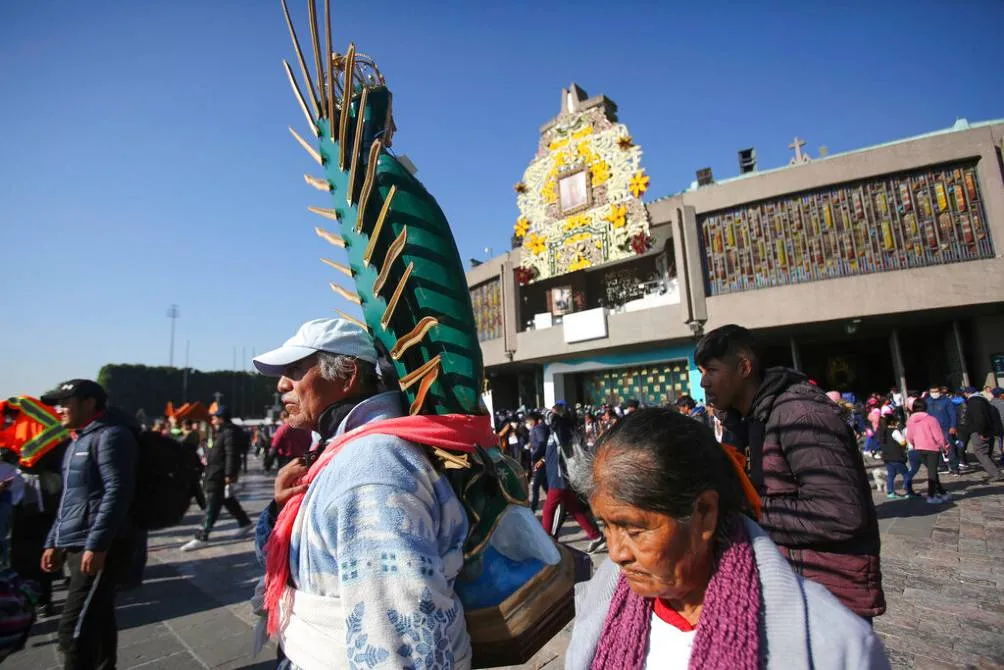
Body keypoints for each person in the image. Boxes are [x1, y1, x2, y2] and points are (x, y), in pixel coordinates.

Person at [566, 408, 890, 670]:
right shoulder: (603, 599)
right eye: (605, 527)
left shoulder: (832, 646)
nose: (616, 552)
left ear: (704, 513)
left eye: (634, 530)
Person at [249, 318, 474, 667]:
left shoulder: (370, 469)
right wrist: (282, 508)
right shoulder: (347, 451)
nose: (282, 384)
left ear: (347, 374)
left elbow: (402, 644)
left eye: (295, 369)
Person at [695, 324, 885, 621]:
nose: (704, 383)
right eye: (701, 373)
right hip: (784, 588)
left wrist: (747, 510)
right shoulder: (743, 423)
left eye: (712, 371)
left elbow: (840, 512)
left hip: (827, 598)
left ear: (744, 367)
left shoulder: (802, 414)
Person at [39, 379, 138, 670]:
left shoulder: (111, 436)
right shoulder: (76, 440)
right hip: (76, 542)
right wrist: (54, 540)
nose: (59, 410)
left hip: (98, 545)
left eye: (65, 403)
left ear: (89, 403)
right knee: (99, 617)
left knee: (74, 630)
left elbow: (117, 491)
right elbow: (71, 497)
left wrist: (97, 544)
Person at [181, 406, 253, 551]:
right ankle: (245, 522)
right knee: (227, 500)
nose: (212, 420)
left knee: (212, 506)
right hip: (215, 472)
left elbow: (231, 454)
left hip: (219, 475)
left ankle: (202, 536)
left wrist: (229, 475)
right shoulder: (223, 432)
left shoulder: (229, 433)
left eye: (214, 417)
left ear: (221, 418)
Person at [538, 404, 606, 553]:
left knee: (549, 508)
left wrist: (542, 409)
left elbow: (554, 419)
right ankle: (596, 537)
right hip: (556, 475)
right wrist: (543, 460)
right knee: (574, 509)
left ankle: (545, 542)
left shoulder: (562, 426)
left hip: (560, 475)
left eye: (554, 412)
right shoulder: (558, 429)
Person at [905, 398, 950, 503]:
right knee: (932, 473)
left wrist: (915, 444)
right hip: (932, 448)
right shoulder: (931, 419)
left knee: (932, 471)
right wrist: (945, 446)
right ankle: (931, 496)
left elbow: (909, 436)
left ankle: (942, 492)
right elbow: (938, 436)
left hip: (919, 448)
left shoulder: (910, 420)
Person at [958, 387, 1004, 482]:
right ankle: (994, 472)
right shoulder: (983, 400)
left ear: (967, 393)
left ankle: (995, 473)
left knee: (980, 452)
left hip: (979, 431)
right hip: (987, 430)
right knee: (985, 452)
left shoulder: (974, 402)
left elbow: (979, 419)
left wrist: (981, 432)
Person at [878, 414, 909, 499]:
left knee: (891, 474)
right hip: (896, 456)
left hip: (887, 457)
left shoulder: (882, 431)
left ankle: (890, 492)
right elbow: (902, 442)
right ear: (892, 422)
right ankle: (909, 490)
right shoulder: (894, 431)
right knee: (906, 474)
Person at [527, 411, 550, 511]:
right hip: (541, 459)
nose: (528, 423)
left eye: (528, 421)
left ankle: (533, 508)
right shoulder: (538, 428)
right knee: (545, 485)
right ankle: (558, 505)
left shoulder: (538, 428)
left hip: (539, 460)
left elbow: (542, 443)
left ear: (532, 420)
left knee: (535, 486)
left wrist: (535, 456)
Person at [990, 388, 1004, 464]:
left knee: (1001, 442)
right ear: (1001, 395)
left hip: (997, 427)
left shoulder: (990, 403)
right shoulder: (1002, 403)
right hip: (1001, 426)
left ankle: (1002, 457)